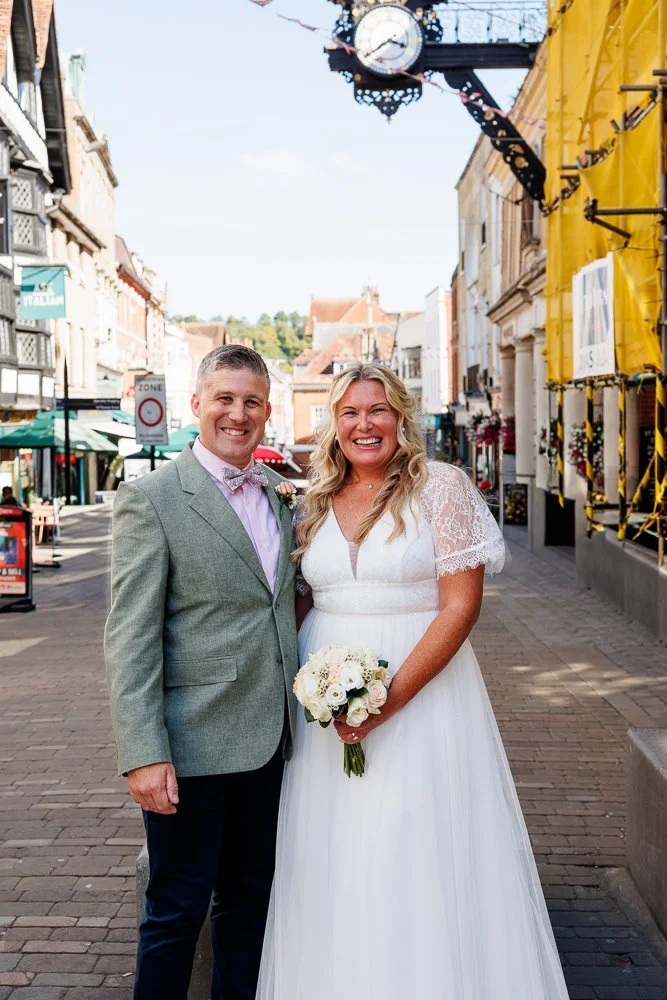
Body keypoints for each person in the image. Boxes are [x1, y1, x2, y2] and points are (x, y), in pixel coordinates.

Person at [257, 363, 569, 1000]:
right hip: (326, 709)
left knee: (413, 847)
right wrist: (307, 688)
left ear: (401, 418)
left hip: (424, 696)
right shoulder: (312, 499)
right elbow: (302, 603)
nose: (364, 425)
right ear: (333, 425)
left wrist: (385, 702)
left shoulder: (442, 488)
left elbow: (460, 606)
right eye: (349, 413)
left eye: (378, 410)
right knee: (334, 855)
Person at [105, 345, 299, 1000]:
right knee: (175, 914)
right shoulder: (151, 500)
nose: (236, 414)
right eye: (223, 398)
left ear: (266, 412)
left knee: (247, 908)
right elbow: (130, 637)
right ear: (196, 406)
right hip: (191, 748)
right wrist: (142, 753)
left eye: (250, 401)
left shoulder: (280, 496)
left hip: (269, 742)